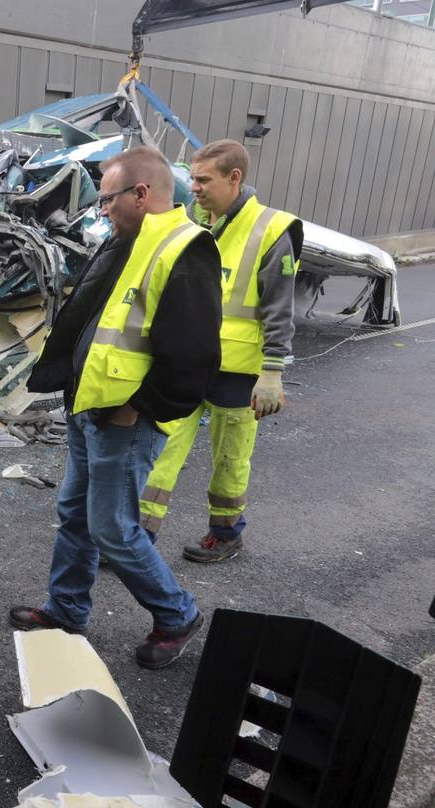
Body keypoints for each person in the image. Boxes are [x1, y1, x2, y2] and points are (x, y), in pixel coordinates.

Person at [9, 146, 222, 669]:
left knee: (112, 527)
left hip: (124, 419)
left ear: (141, 194)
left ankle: (177, 614)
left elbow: (194, 359)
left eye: (107, 199)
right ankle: (66, 610)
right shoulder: (126, 240)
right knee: (76, 517)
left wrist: (136, 409)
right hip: (91, 407)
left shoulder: (184, 249)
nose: (101, 209)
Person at [139, 140, 304, 563]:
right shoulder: (191, 223)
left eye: (203, 180)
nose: (192, 187)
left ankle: (226, 535)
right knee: (160, 449)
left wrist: (272, 372)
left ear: (235, 178)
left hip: (239, 371)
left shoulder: (270, 229)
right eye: (191, 178)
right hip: (186, 361)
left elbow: (278, 308)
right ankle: (136, 538)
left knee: (231, 459)